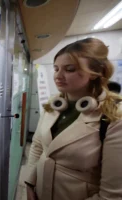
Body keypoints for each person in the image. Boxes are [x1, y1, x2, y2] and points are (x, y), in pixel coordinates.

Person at [24, 38, 122, 200]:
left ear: (94, 73)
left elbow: (112, 195)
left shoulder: (114, 116)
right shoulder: (54, 104)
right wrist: (29, 183)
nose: (58, 76)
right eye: (56, 69)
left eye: (69, 69)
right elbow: (37, 146)